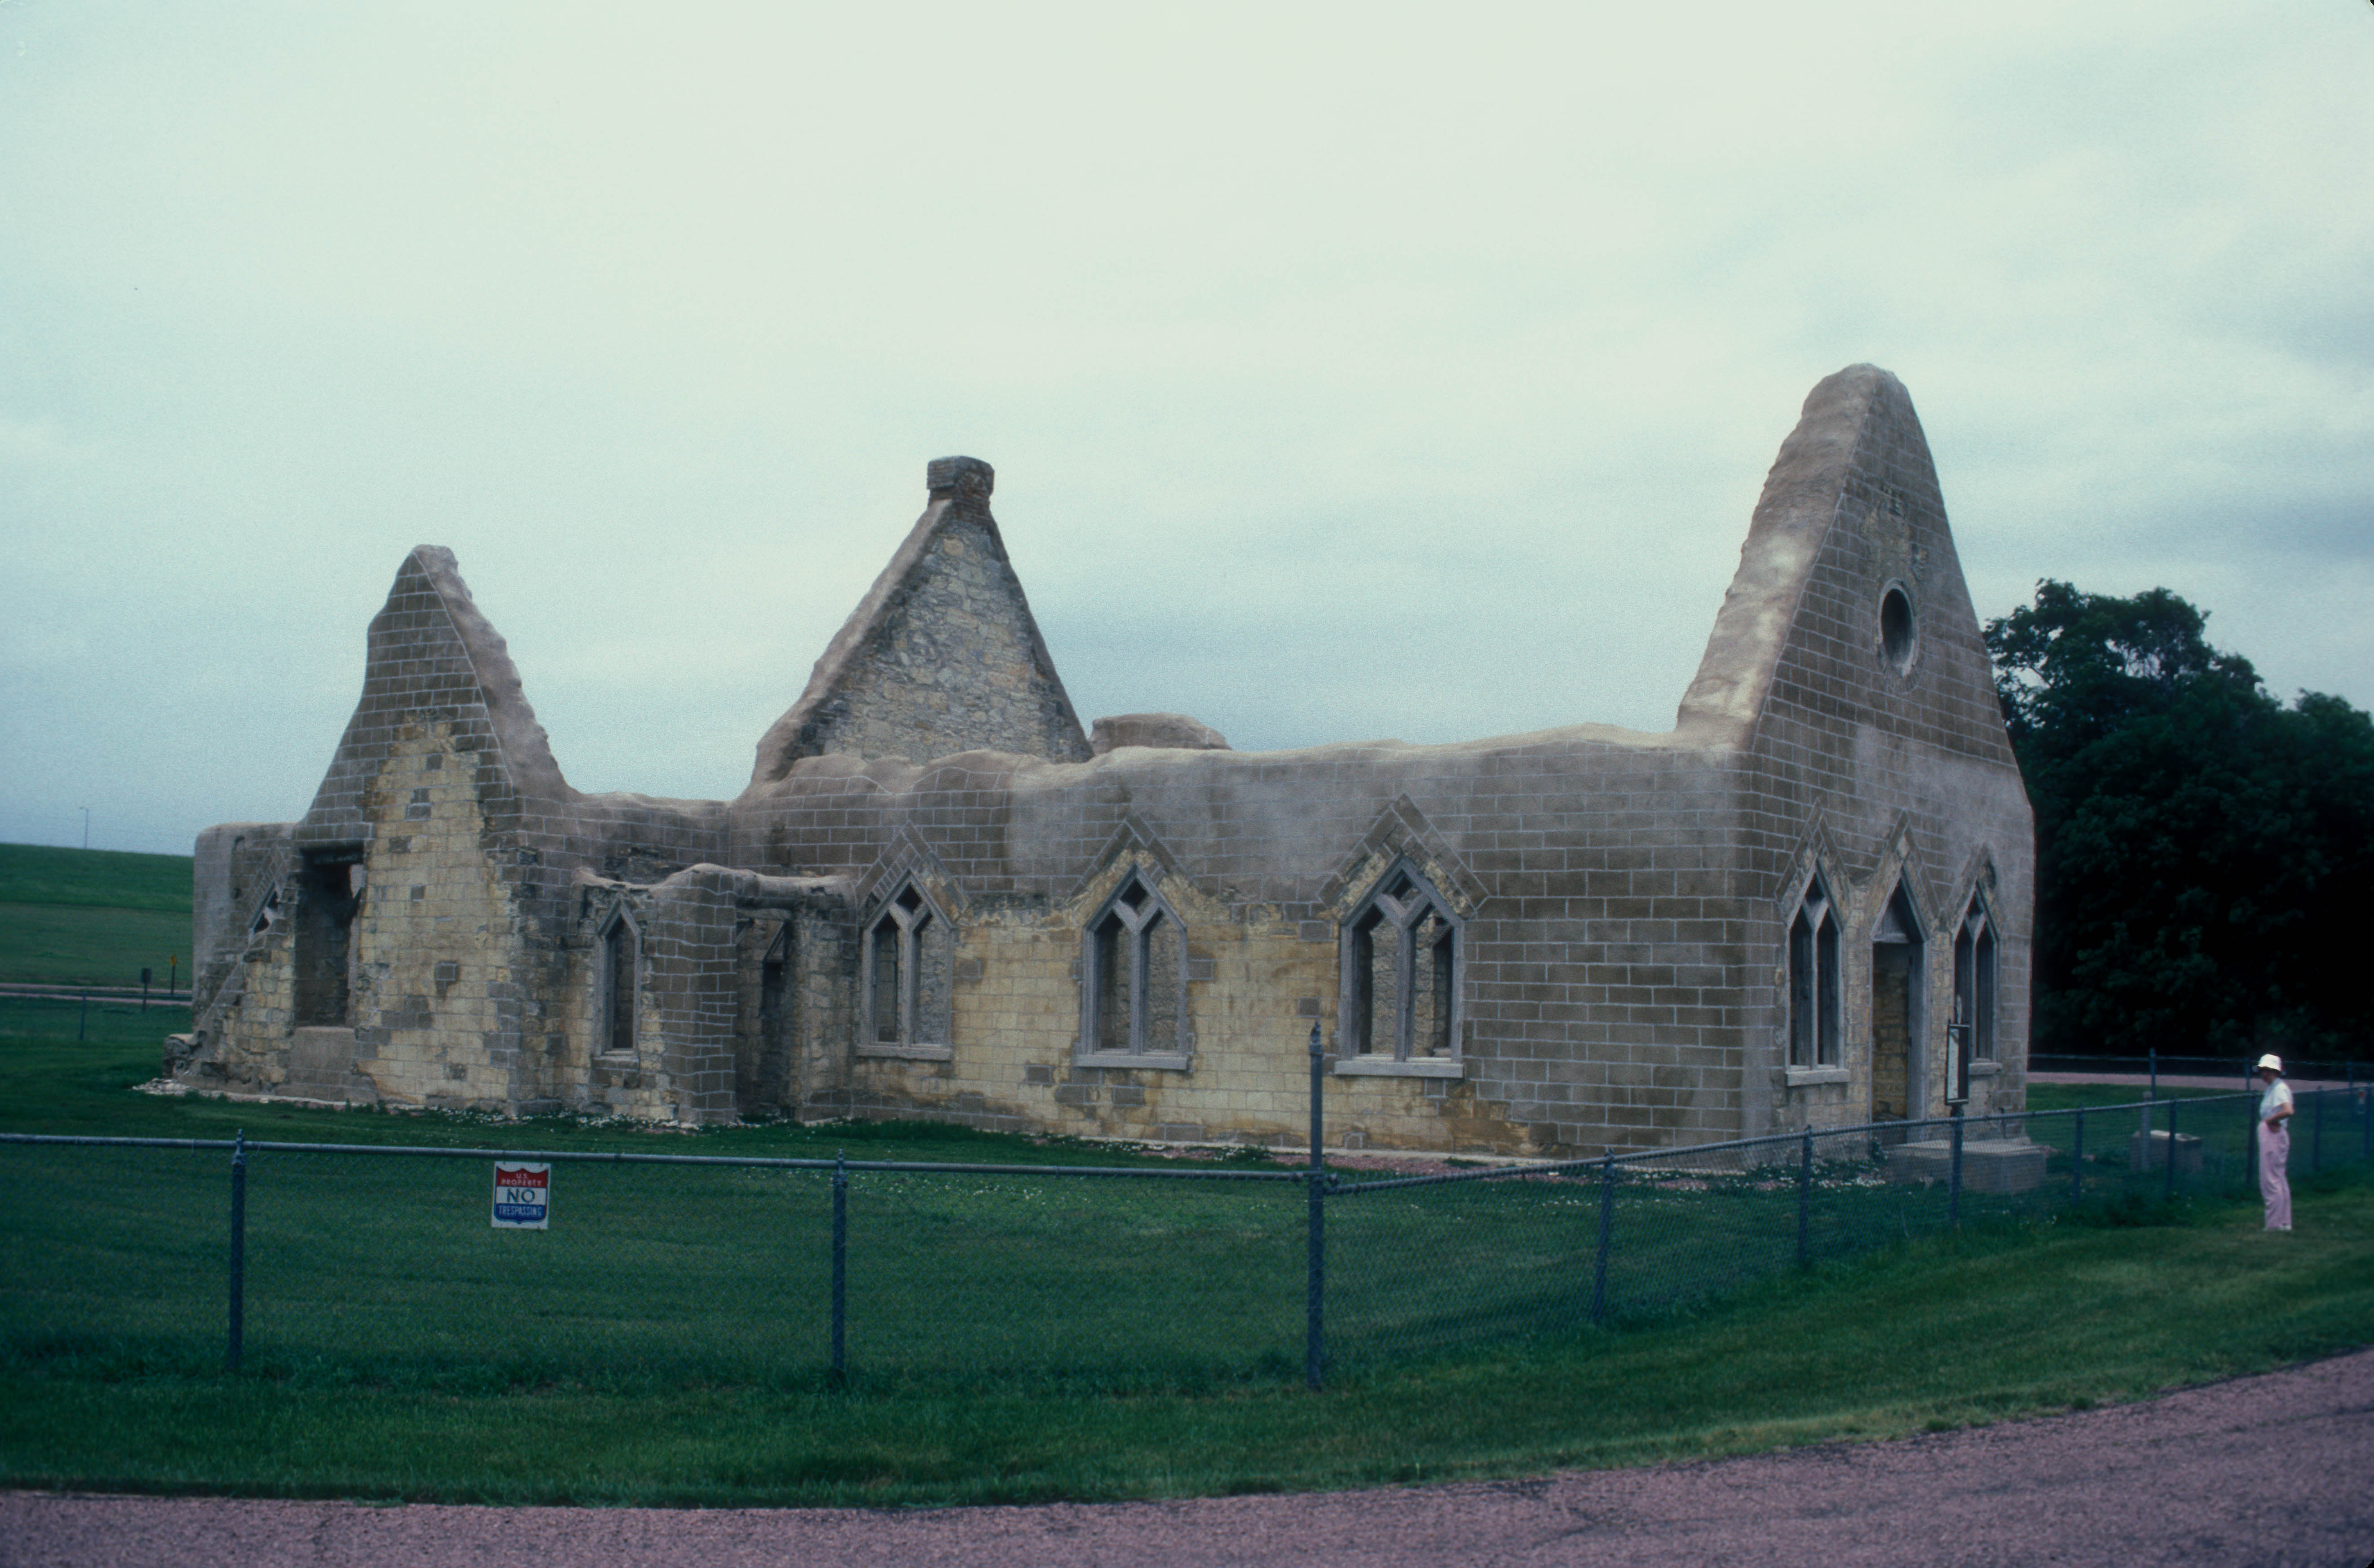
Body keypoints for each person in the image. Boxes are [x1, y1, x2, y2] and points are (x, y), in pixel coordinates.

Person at [2255, 1053, 2294, 1232]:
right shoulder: (2273, 1088)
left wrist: (2271, 1120)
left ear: (2277, 1071)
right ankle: (2284, 1221)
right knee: (2278, 1178)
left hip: (2273, 1134)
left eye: (2269, 1071)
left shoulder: (2280, 1088)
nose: (2265, 1074)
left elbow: (2288, 1111)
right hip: (2271, 1133)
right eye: (2263, 1070)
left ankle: (2274, 1224)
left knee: (2270, 1179)